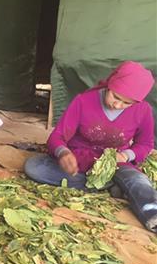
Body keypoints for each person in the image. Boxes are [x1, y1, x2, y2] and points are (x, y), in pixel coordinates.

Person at [24, 61, 156, 232]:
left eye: (126, 103)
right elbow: (58, 136)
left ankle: (152, 212)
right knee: (34, 167)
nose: (117, 105)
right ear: (110, 85)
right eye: (115, 97)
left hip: (115, 162)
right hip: (79, 160)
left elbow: (145, 144)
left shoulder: (142, 110)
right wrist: (63, 153)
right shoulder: (84, 101)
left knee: (138, 180)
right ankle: (111, 185)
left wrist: (125, 156)